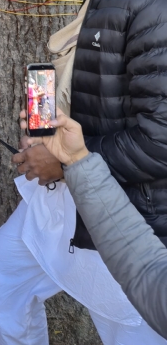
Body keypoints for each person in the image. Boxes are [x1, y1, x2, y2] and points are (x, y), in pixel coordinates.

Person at [0, 0, 167, 345]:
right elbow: (84, 77)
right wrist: (40, 127)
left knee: (127, 324)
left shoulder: (154, 1)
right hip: (80, 188)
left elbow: (160, 140)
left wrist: (65, 164)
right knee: (7, 264)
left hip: (134, 213)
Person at [27, 112, 167, 339]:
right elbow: (146, 270)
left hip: (136, 205)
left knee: (121, 321)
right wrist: (74, 158)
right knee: (5, 265)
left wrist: (69, 160)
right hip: (93, 194)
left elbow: (158, 141)